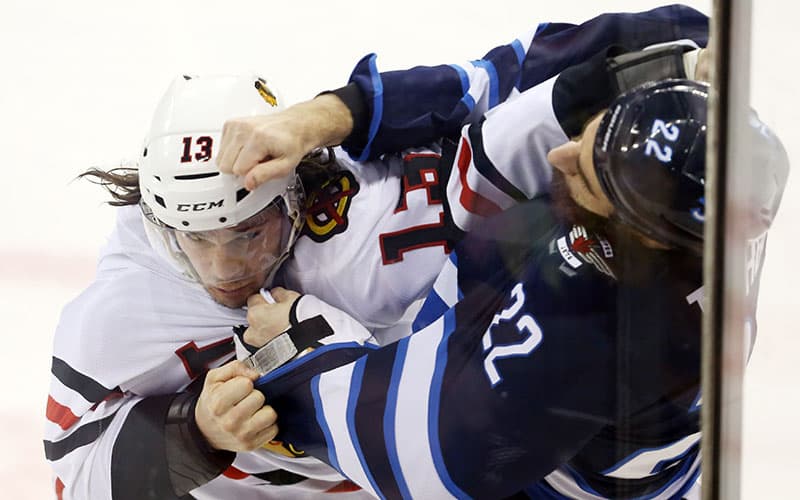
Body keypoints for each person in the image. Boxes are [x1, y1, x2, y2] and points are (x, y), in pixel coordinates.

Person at [44, 5, 714, 498]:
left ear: (295, 198)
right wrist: (194, 432)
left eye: (248, 232)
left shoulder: (390, 225)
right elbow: (73, 467)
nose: (224, 268)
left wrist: (296, 352)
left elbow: (431, 450)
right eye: (194, 241)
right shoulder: (122, 306)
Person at [222, 78, 789, 499]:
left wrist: (305, 351)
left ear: (640, 235)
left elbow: (434, 457)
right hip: (639, 441)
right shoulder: (720, 197)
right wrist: (332, 113)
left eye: (588, 177)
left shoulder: (600, 333)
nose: (559, 155)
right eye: (590, 136)